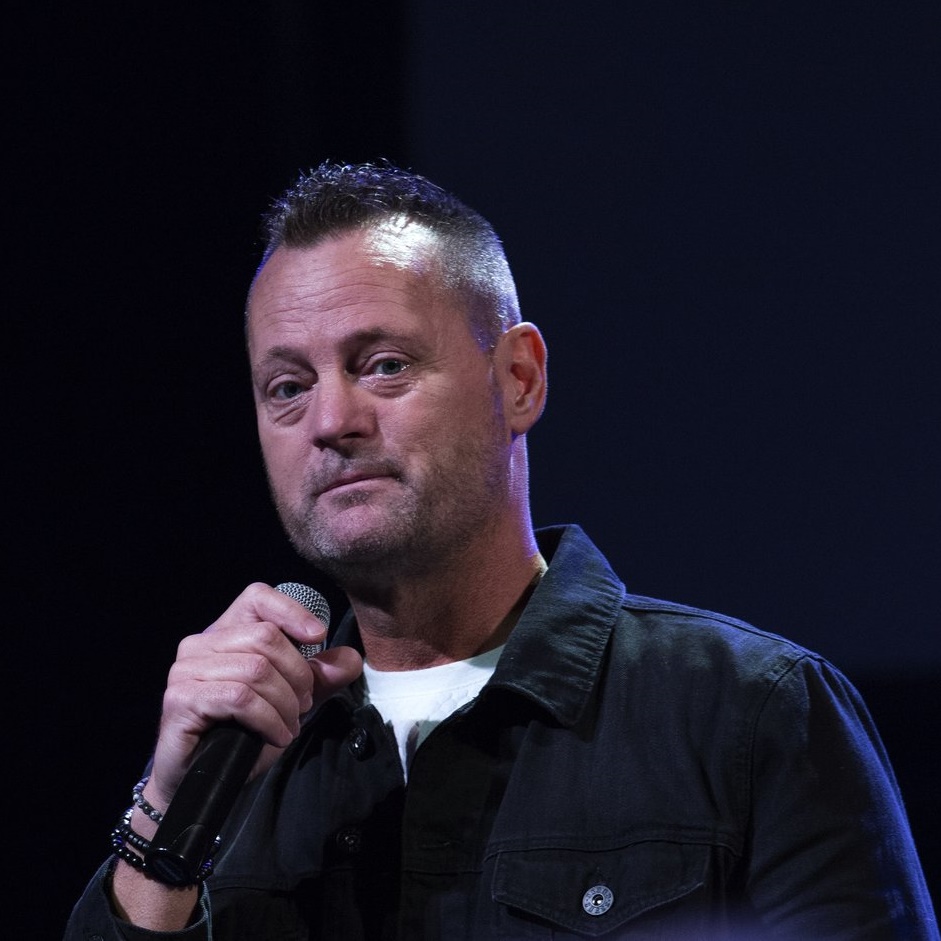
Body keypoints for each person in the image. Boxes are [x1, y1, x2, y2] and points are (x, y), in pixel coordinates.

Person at [66, 161, 938, 940]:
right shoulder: (236, 768)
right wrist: (168, 821)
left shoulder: (748, 714)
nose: (331, 422)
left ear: (517, 379)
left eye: (382, 365)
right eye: (287, 387)